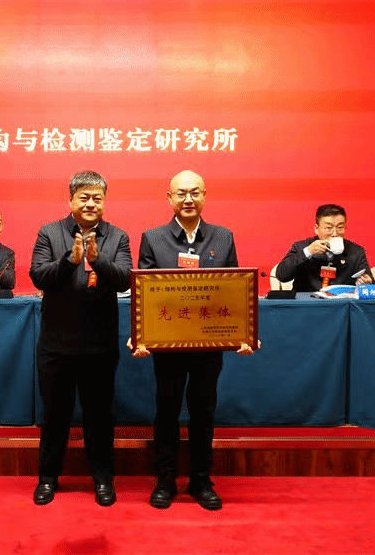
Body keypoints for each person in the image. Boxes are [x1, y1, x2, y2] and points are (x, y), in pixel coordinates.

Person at [131, 170, 256, 511]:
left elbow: (235, 291)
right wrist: (141, 335)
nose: (188, 199)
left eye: (195, 192)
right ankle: (165, 480)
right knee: (166, 412)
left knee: (203, 412)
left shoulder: (223, 237)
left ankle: (201, 480)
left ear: (204, 196)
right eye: (181, 193)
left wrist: (243, 334)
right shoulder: (153, 238)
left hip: (208, 345)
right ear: (169, 198)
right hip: (168, 346)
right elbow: (144, 294)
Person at [29, 171, 132, 507]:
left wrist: (96, 260)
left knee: (99, 418)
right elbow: (38, 276)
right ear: (71, 200)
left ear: (104, 202)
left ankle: (102, 480)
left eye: (96, 198)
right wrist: (69, 261)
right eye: (83, 197)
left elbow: (124, 280)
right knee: (54, 417)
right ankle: (47, 479)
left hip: (99, 346)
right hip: (56, 345)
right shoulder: (50, 232)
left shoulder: (117, 237)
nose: (90, 204)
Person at [275, 204, 374, 292]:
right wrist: (308, 252)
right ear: (316, 229)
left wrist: (367, 283)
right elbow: (282, 275)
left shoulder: (356, 252)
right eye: (328, 228)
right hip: (307, 303)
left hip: (341, 304)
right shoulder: (302, 247)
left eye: (340, 227)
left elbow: (373, 285)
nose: (335, 233)